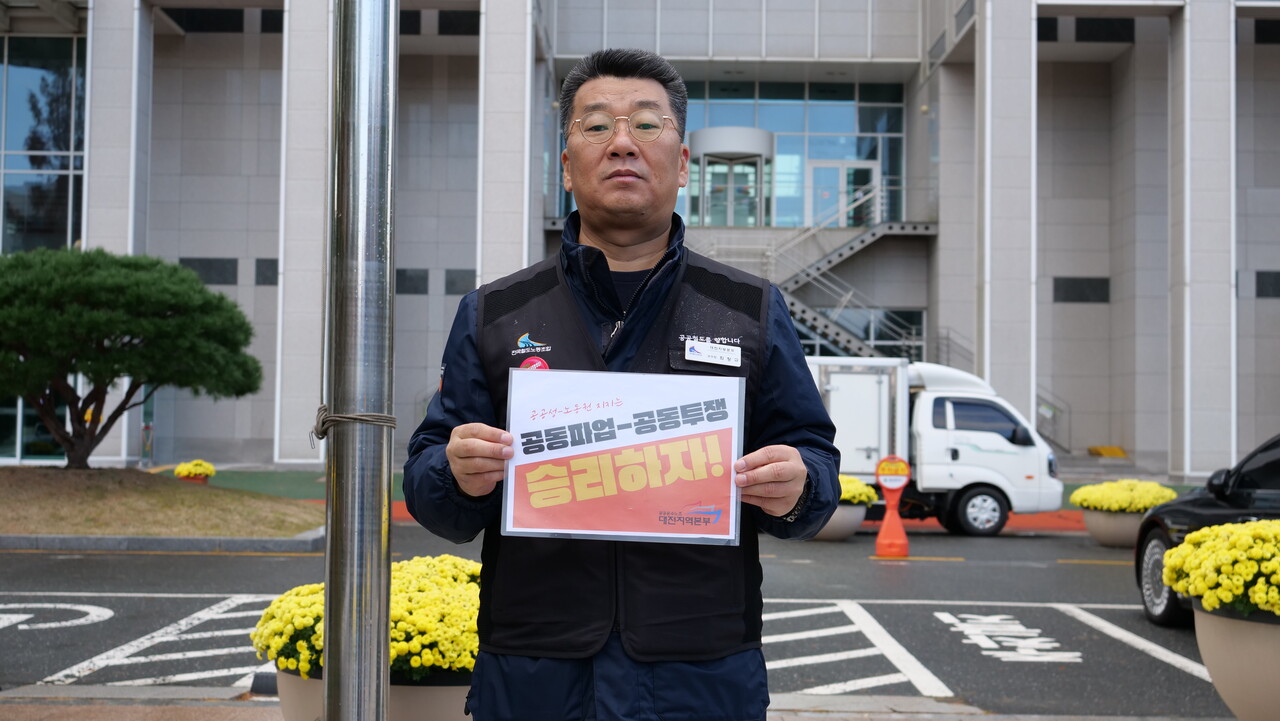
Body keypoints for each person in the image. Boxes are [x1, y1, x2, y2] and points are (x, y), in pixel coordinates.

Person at [403, 48, 840, 721]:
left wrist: (800, 483)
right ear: (565, 165)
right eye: (597, 126)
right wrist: (454, 472)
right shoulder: (495, 313)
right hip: (534, 671)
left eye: (647, 125)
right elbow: (432, 487)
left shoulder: (749, 308)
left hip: (701, 673)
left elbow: (815, 461)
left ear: (685, 162)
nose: (623, 145)